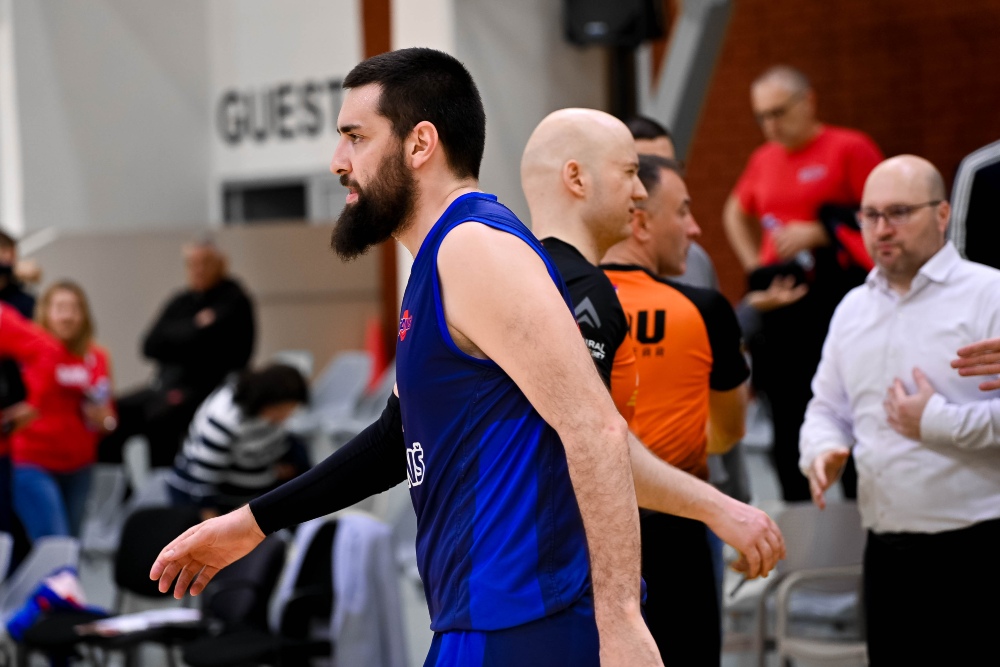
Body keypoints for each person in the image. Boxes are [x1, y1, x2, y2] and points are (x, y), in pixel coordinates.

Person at [153, 48, 661, 667]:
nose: (338, 161)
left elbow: (596, 430)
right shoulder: (439, 260)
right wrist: (253, 522)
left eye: (355, 137)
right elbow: (396, 439)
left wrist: (621, 620)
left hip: (527, 620)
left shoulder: (474, 249)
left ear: (420, 143)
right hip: (479, 617)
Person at [523, 109, 783, 665]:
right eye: (630, 174)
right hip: (644, 527)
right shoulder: (609, 293)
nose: (694, 228)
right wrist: (715, 504)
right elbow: (607, 441)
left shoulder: (522, 276)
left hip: (547, 547)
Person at [800, 155, 1000, 664]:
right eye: (870, 215)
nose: (882, 229)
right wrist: (822, 449)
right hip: (887, 551)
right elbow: (825, 408)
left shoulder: (989, 294)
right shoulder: (852, 309)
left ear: (942, 214)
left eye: (899, 213)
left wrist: (936, 422)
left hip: (979, 548)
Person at [601, 155, 749, 664]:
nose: (695, 228)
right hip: (677, 529)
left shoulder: (565, 302)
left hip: (586, 534)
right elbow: (728, 431)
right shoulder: (704, 309)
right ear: (641, 222)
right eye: (683, 211)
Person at [723, 65, 883, 502]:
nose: (771, 125)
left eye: (778, 112)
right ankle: (801, 512)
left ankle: (861, 507)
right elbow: (734, 212)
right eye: (762, 116)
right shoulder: (763, 159)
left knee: (849, 404)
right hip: (784, 305)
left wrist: (821, 232)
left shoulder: (849, 147)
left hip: (836, 297)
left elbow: (880, 214)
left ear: (807, 102)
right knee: (788, 412)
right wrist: (755, 264)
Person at [99, 240, 255, 468]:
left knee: (161, 417)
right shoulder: (181, 301)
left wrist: (177, 337)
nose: (198, 270)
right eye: (192, 264)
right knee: (113, 414)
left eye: (205, 263)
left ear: (221, 264)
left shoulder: (234, 300)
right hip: (163, 385)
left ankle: (164, 483)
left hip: (206, 389)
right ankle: (118, 483)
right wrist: (195, 327)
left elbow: (220, 353)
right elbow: (150, 346)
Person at [10, 281, 115, 540]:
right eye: (60, 308)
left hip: (80, 466)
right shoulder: (28, 354)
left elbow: (108, 415)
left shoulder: (96, 357)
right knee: (54, 543)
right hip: (32, 462)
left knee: (73, 544)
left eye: (74, 309)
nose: (67, 316)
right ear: (46, 312)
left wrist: (105, 420)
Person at [167, 364, 310, 520]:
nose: (286, 417)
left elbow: (279, 446)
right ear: (269, 401)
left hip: (250, 498)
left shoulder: (270, 415)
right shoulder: (223, 420)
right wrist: (218, 524)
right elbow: (202, 483)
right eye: (283, 411)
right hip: (212, 502)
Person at [625, 115, 719, 291]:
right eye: (645, 169)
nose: (660, 177)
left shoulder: (695, 261)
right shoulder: (592, 266)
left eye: (669, 166)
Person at [0, 231, 37, 319]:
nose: (8, 257)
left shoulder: (24, 301)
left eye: (12, 253)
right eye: (4, 251)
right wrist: (13, 269)